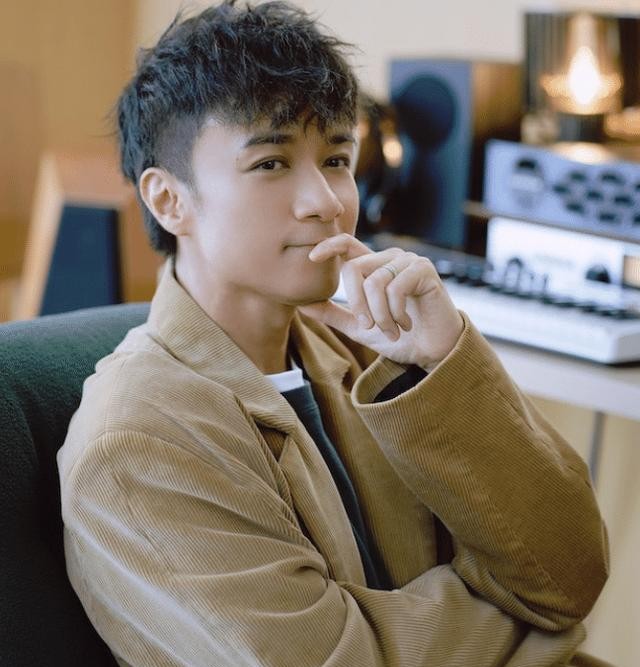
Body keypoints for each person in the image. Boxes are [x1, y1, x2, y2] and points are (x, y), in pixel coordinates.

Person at [57, 2, 611, 666]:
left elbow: (570, 572)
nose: (326, 201)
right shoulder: (135, 446)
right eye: (271, 163)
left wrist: (446, 362)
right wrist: (530, 623)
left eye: (338, 159)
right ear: (169, 200)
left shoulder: (372, 352)